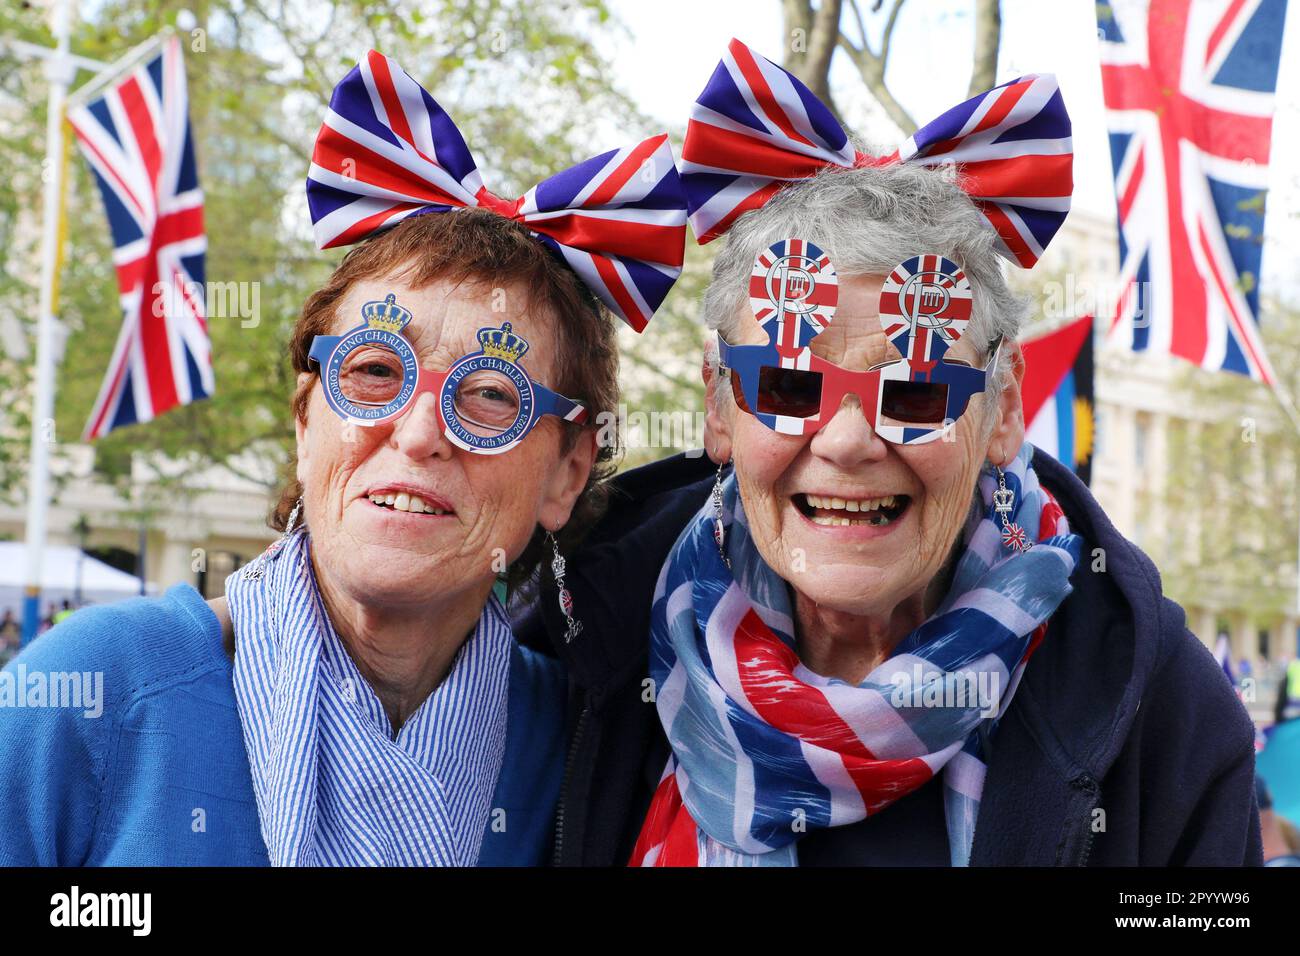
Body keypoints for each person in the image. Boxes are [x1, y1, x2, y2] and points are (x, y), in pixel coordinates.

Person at [523, 40, 1262, 866]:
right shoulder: (581, 643)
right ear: (717, 407)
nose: (844, 442)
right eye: (789, 387)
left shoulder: (1165, 708)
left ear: (1005, 407)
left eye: (913, 392)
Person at [0, 50, 687, 866]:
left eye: (492, 395)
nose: (419, 431)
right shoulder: (97, 691)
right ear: (304, 418)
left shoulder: (587, 748)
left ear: (567, 475)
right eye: (372, 373)